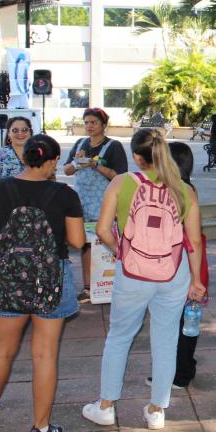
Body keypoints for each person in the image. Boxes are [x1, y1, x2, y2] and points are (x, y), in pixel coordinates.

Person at [0, 134, 85, 432]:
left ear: (25, 158)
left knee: (1, 353)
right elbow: (78, 242)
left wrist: (4, 235)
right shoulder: (65, 193)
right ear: (53, 161)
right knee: (44, 355)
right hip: (51, 280)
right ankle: (41, 430)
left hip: (8, 280)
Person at [82, 132, 205, 432]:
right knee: (166, 341)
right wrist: (197, 281)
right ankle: (156, 410)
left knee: (119, 337)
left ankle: (106, 407)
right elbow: (195, 242)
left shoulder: (121, 183)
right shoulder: (185, 190)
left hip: (133, 272)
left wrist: (121, 251)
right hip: (173, 274)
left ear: (137, 157)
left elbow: (102, 230)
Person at [62, 107, 128, 304]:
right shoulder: (80, 144)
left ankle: (115, 287)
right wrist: (77, 162)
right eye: (87, 122)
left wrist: (95, 165)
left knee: (109, 243)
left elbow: (120, 177)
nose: (89, 126)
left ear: (103, 125)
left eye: (94, 122)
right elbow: (66, 171)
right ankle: (88, 288)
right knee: (85, 245)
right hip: (82, 203)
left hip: (106, 204)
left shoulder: (113, 146)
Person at [165, 141, 210, 389]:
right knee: (185, 320)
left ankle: (181, 372)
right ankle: (181, 369)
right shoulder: (188, 188)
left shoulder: (178, 190)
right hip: (191, 260)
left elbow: (190, 235)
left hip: (182, 260)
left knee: (181, 321)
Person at [0, 116, 32, 186]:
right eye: (15, 130)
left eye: (24, 130)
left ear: (30, 132)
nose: (20, 133)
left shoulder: (40, 153)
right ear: (9, 134)